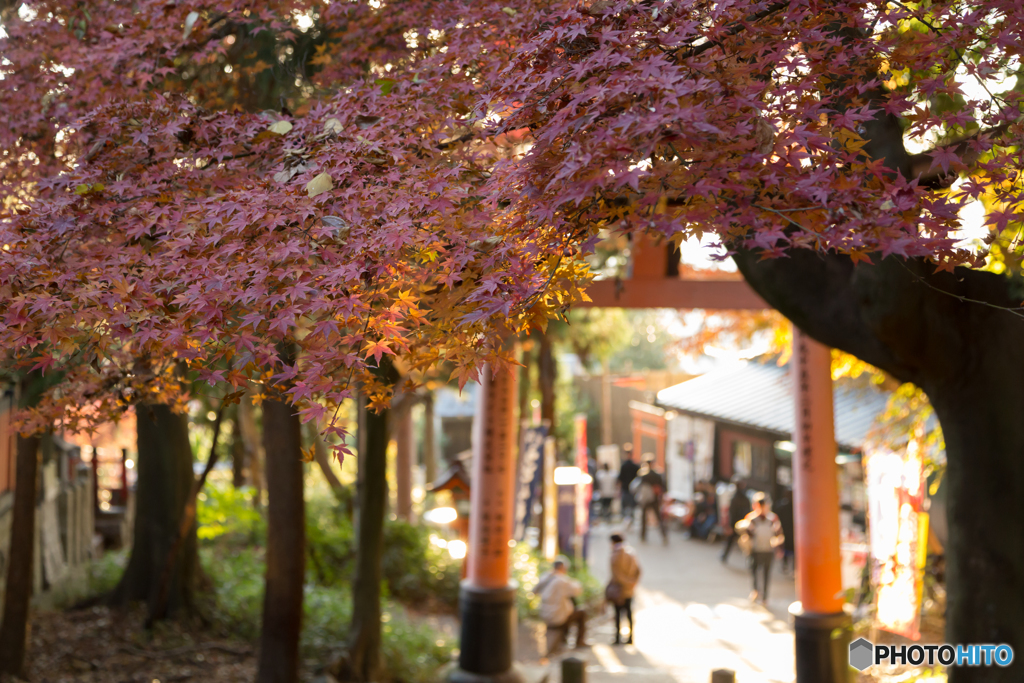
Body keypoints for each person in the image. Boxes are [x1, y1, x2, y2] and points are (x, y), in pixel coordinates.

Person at [735, 493, 784, 605]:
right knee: (754, 571)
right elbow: (746, 534)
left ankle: (765, 596)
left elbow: (779, 534)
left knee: (766, 574)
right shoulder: (751, 519)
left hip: (768, 549)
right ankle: (756, 590)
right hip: (755, 549)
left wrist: (779, 548)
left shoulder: (772, 519)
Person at [538, 557, 587, 653]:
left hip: (545, 614)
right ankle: (579, 641)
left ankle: (564, 639)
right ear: (562, 567)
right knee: (581, 612)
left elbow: (534, 590)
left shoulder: (545, 577)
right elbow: (577, 590)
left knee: (568, 610)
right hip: (557, 616)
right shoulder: (562, 580)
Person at [608, 533, 641, 645]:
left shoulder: (616, 554)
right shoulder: (631, 552)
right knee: (628, 612)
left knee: (618, 613)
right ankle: (630, 637)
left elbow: (616, 574)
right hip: (629, 588)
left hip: (619, 588)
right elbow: (639, 570)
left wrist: (625, 583)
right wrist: (633, 583)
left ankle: (618, 637)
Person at [631, 457, 668, 544]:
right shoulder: (657, 475)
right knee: (658, 518)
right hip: (654, 499)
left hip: (645, 499)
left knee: (643, 518)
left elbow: (636, 487)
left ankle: (643, 536)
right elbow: (663, 487)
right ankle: (664, 535)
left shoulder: (643, 476)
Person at [720, 481, 752, 563]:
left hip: (737, 524)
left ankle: (725, 556)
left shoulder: (736, 498)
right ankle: (750, 559)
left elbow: (732, 513)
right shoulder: (744, 498)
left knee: (733, 541)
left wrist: (730, 525)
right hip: (742, 524)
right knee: (745, 542)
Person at [775, 490, 795, 574]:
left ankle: (785, 565)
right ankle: (793, 568)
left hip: (784, 530)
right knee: (793, 550)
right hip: (792, 531)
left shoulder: (781, 505)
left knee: (785, 548)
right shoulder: (795, 506)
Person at [618, 446, 640, 522]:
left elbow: (620, 479)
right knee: (632, 506)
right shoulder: (635, 466)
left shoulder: (623, 466)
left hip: (626, 489)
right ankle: (630, 519)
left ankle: (625, 519)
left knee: (625, 506)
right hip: (632, 490)